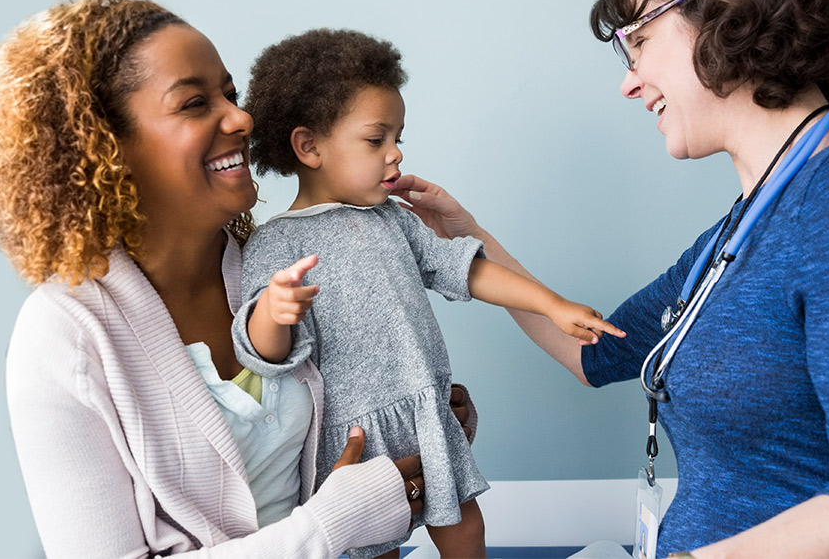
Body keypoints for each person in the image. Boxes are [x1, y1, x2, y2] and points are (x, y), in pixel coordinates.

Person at [393, 0, 829, 557]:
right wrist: (469, 235)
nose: (629, 83)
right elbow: (591, 352)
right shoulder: (730, 240)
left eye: (639, 42)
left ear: (728, 13)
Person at [0, 0, 480, 558]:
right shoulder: (63, 336)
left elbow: (356, 418)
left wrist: (428, 425)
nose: (241, 118)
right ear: (104, 146)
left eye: (230, 95)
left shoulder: (273, 268)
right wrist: (333, 522)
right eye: (193, 103)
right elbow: (341, 513)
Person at [230, 28, 625, 559]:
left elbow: (467, 270)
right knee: (372, 547)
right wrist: (273, 314)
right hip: (353, 433)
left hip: (424, 411)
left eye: (398, 138)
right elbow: (262, 354)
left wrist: (551, 304)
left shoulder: (393, 219)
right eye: (376, 140)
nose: (395, 154)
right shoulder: (277, 242)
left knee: (464, 528)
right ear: (309, 147)